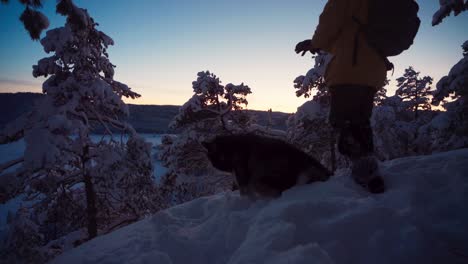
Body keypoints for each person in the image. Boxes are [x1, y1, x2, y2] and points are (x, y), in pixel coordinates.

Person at [295, 0, 387, 193]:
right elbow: (350, 36)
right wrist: (320, 45)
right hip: (374, 71)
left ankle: (368, 176)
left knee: (344, 121)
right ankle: (369, 168)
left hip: (350, 71)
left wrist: (315, 42)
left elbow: (329, 23)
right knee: (360, 121)